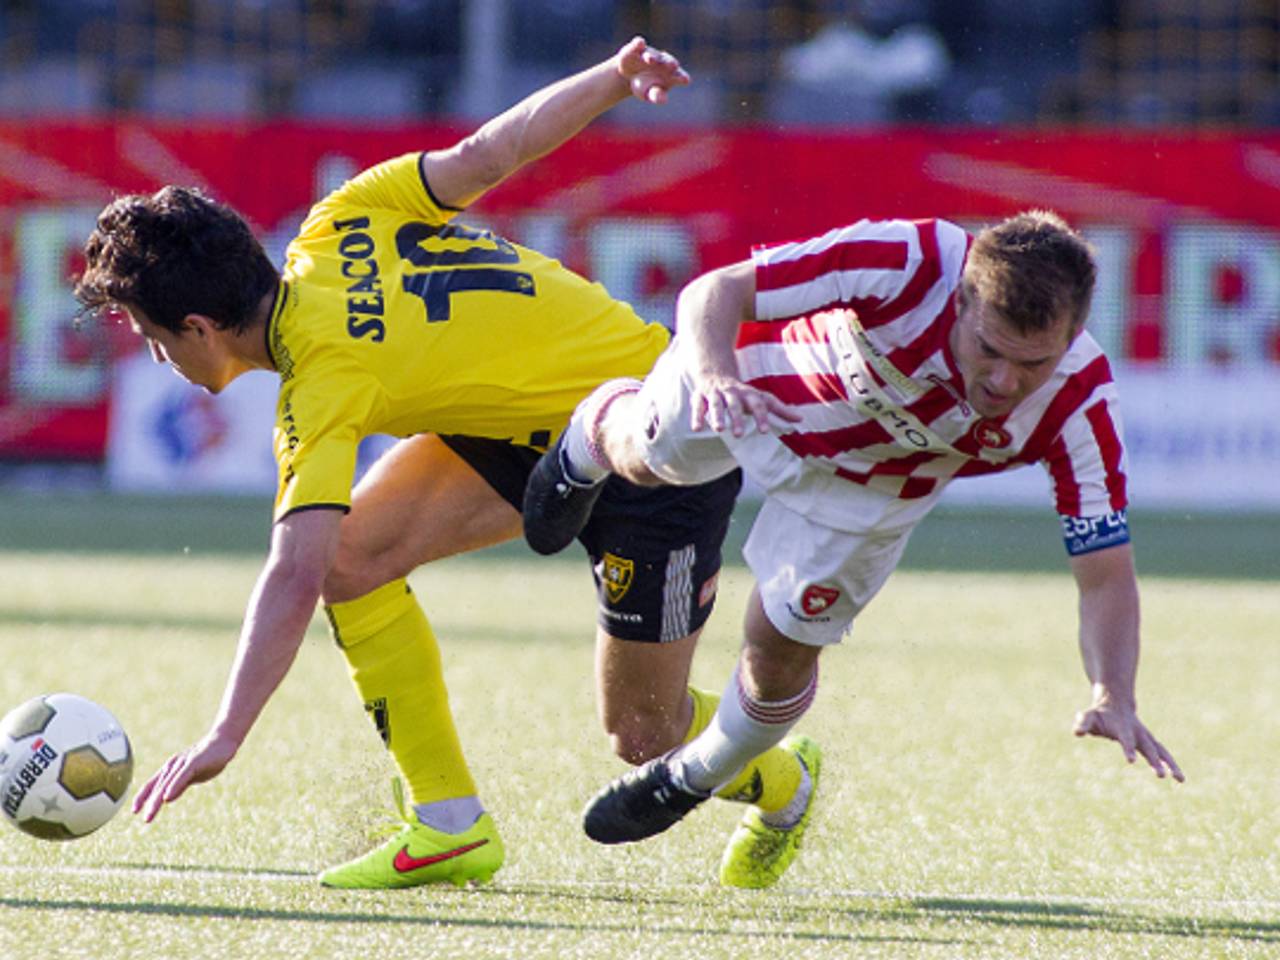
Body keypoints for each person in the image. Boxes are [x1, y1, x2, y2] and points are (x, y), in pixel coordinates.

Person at [73, 38, 814, 891]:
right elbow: (490, 152)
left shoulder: (320, 385)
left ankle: (784, 780)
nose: (157, 358)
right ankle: (448, 824)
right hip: (518, 430)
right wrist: (612, 78)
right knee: (357, 559)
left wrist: (226, 732)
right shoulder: (338, 217)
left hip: (659, 441)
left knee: (644, 735)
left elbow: (289, 571)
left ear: (199, 327)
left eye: (152, 337)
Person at [523, 209, 1185, 853]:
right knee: (644, 458)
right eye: (989, 349)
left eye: (1034, 363)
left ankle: (692, 776)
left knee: (779, 652)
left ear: (1072, 336)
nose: (1005, 381)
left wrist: (1113, 693)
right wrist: (717, 375)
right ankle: (588, 439)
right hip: (757, 389)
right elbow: (713, 291)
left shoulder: (1081, 404)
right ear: (960, 301)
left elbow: (1104, 573)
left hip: (869, 492)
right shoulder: (907, 261)